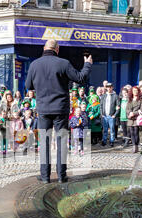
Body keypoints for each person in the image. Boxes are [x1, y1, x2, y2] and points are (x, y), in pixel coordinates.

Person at [25, 39, 92, 184]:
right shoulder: (63, 63)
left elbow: (28, 85)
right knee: (61, 142)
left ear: (44, 48)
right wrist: (87, 64)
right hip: (60, 108)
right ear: (57, 49)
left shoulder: (34, 64)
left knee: (44, 142)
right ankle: (61, 176)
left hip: (43, 109)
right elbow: (80, 78)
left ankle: (45, 177)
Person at [126, 86, 142, 153]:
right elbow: (127, 109)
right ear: (132, 91)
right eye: (134, 90)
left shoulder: (141, 100)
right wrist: (129, 114)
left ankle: (136, 145)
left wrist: (133, 113)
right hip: (130, 118)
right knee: (131, 133)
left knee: (136, 132)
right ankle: (134, 146)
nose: (135, 92)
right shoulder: (129, 100)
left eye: (136, 90)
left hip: (137, 118)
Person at [100, 82, 119, 147]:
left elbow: (118, 107)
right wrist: (102, 114)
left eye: (110, 87)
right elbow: (101, 105)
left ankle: (112, 141)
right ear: (106, 88)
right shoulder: (103, 96)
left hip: (111, 116)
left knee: (112, 130)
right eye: (107, 87)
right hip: (104, 116)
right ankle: (104, 141)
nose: (109, 88)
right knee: (105, 130)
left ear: (112, 87)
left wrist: (115, 115)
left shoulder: (115, 96)